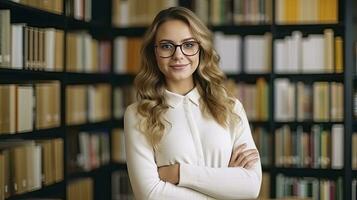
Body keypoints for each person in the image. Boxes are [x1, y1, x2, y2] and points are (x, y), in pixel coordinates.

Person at [124, 6, 262, 200]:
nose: (178, 55)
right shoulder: (138, 114)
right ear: (153, 53)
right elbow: (150, 195)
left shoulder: (230, 107)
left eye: (188, 44)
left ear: (201, 49)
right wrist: (226, 184)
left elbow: (251, 187)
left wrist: (178, 173)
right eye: (166, 46)